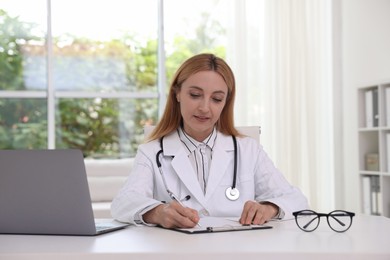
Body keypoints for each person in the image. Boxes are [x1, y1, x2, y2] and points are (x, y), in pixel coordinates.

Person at [111, 53, 308, 228]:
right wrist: (157, 213)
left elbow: (297, 200)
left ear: (226, 102)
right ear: (177, 93)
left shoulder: (248, 149)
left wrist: (270, 208)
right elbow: (123, 203)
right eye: (195, 95)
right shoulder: (152, 151)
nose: (205, 108)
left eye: (216, 99)